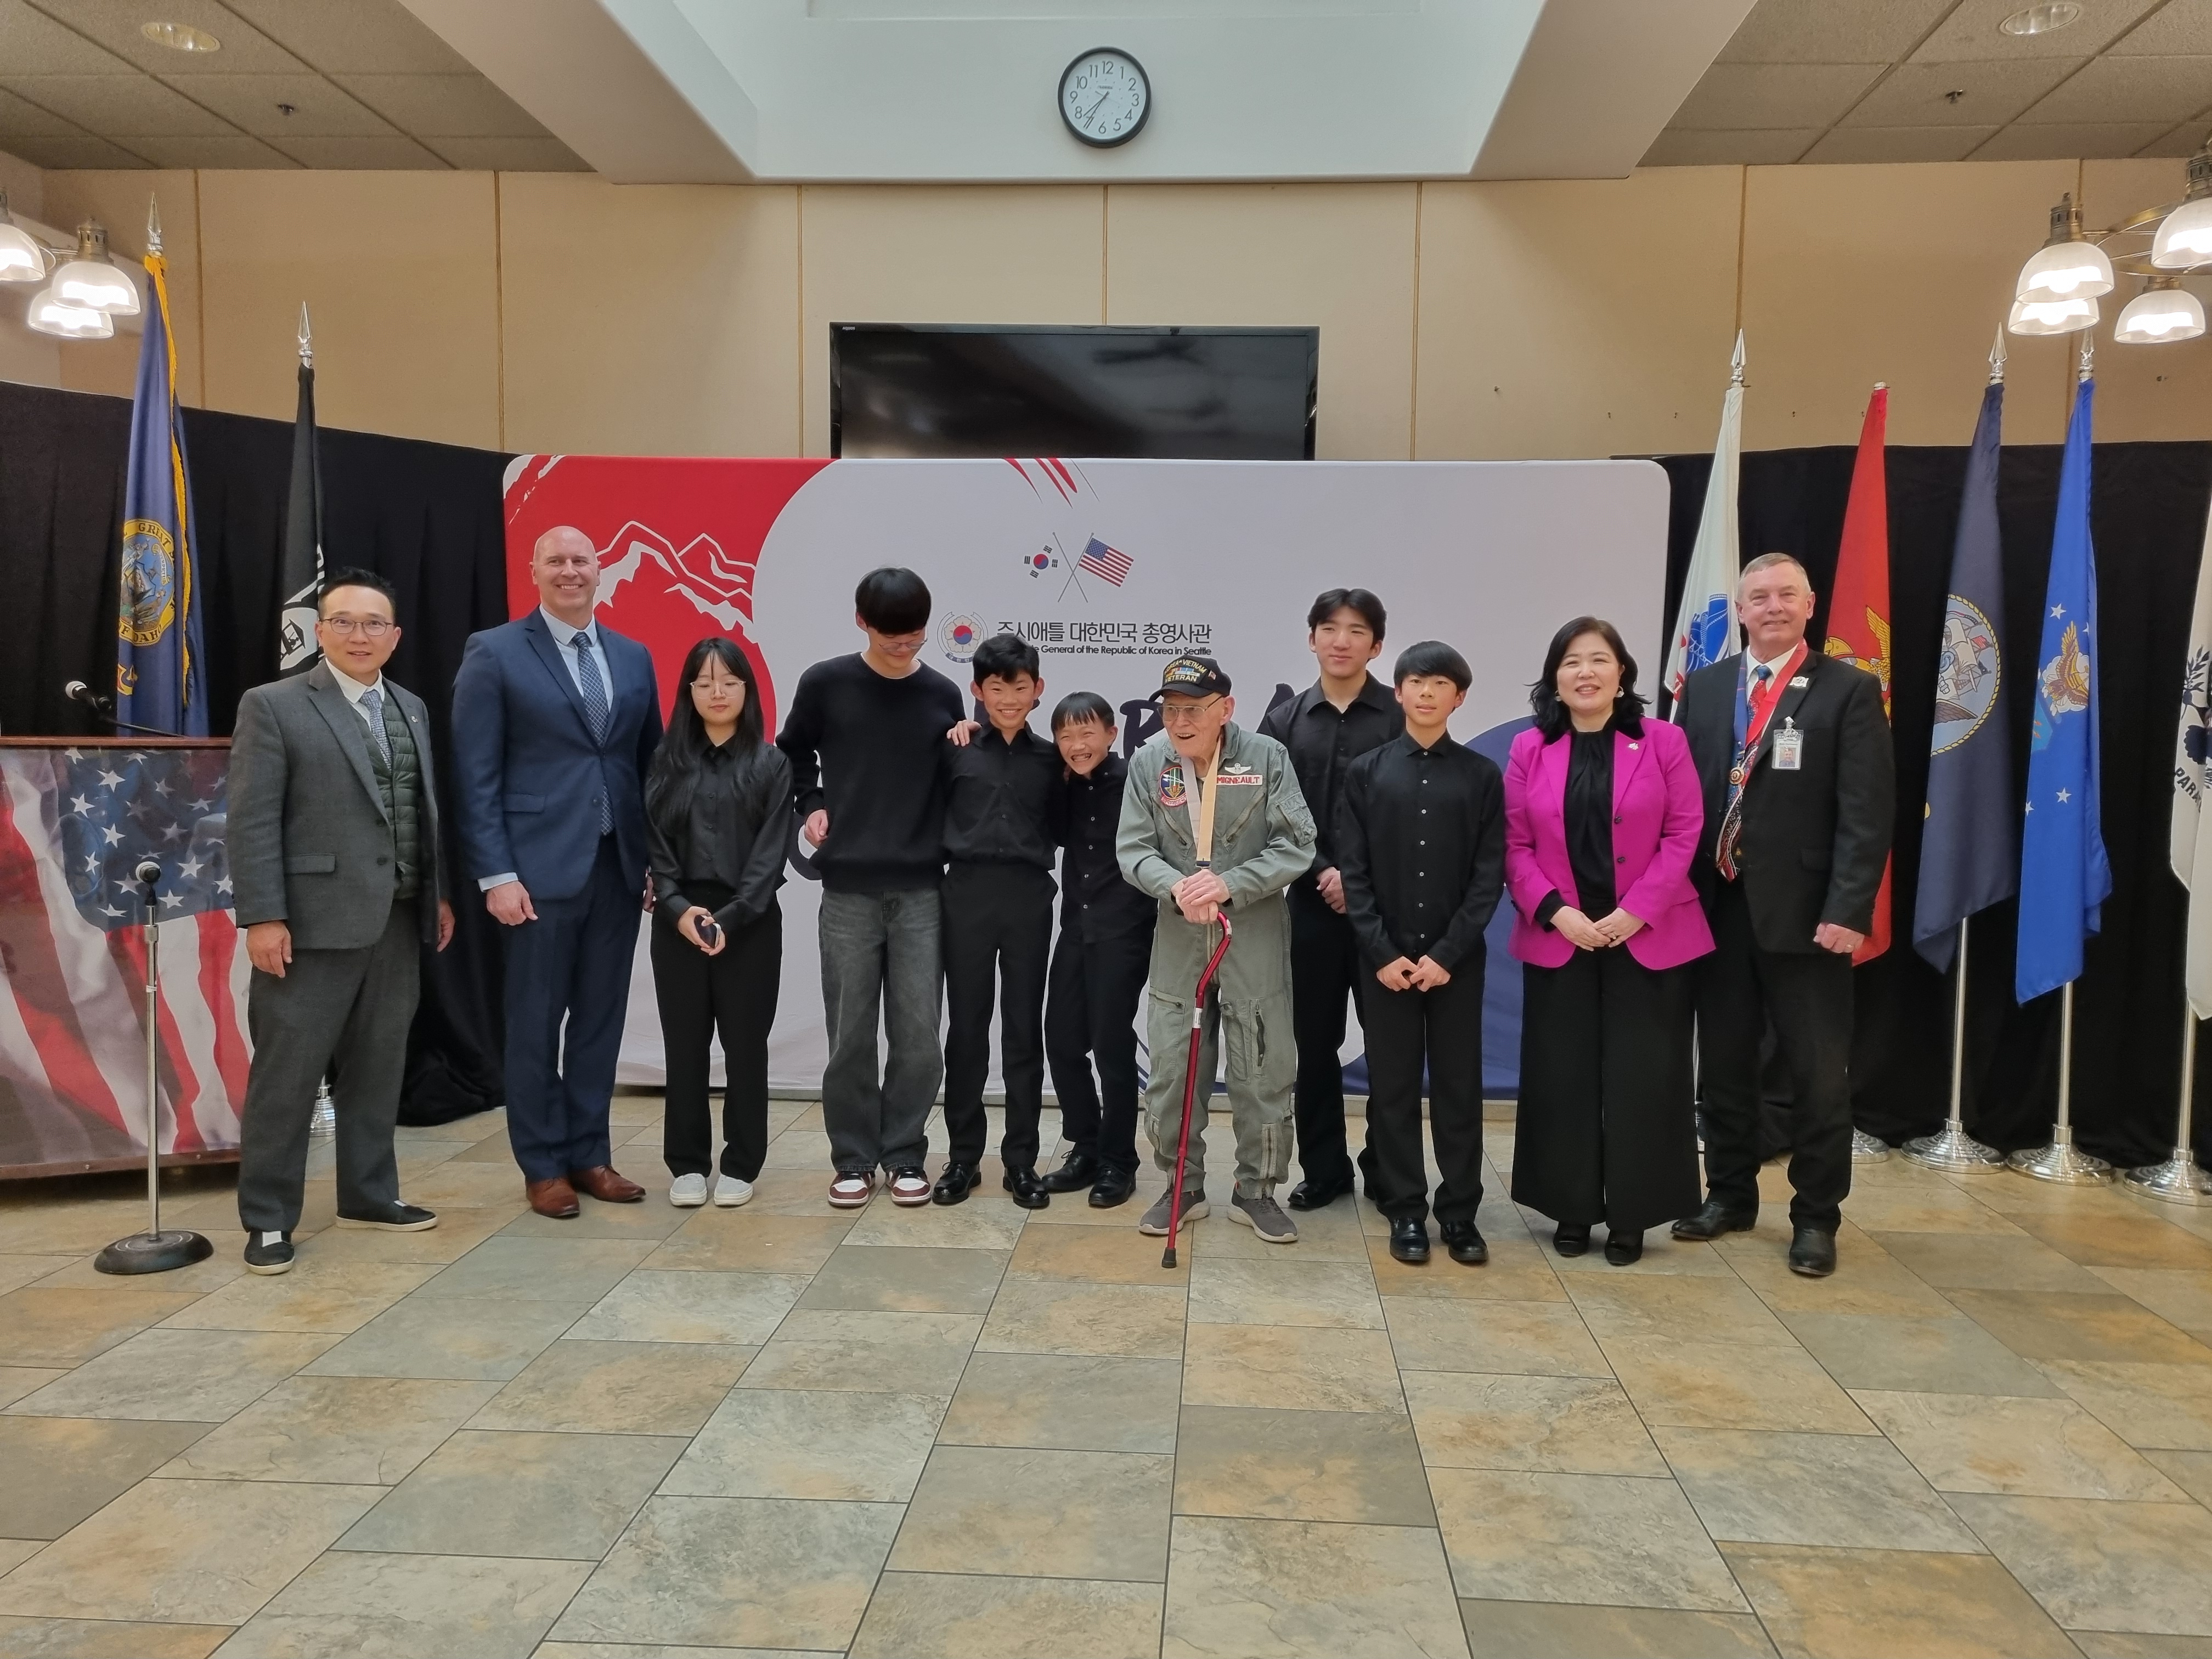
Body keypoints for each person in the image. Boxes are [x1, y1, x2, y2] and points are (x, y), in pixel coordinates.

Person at [229, 568, 455, 1273]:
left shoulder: (411, 707)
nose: (361, 635)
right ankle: (269, 1216)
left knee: (378, 1068)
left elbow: (418, 811)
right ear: (320, 631)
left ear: (395, 635)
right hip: (309, 925)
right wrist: (263, 916)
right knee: (288, 1076)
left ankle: (369, 1194)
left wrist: (437, 894)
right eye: (345, 622)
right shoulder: (274, 706)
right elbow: (252, 819)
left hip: (398, 919)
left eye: (374, 623)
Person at [1674, 553, 1893, 1278]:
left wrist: (1849, 908)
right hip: (1716, 908)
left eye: (1786, 595)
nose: (1772, 606)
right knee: (1724, 1066)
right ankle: (1730, 1195)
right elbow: (1683, 799)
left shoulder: (1849, 691)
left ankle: (1816, 1217)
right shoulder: (1704, 688)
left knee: (1818, 1075)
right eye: (1759, 596)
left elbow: (1868, 813)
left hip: (1809, 916)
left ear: (1810, 605)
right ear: (1739, 610)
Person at [452, 525, 664, 1220]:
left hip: (617, 868)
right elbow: (475, 774)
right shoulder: (495, 652)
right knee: (535, 1026)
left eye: (581, 560)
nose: (570, 571)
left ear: (600, 571)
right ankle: (542, 1165)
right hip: (535, 875)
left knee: (600, 1022)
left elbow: (651, 768)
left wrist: (657, 862)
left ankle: (590, 1155)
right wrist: (495, 875)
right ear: (535, 571)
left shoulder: (633, 656)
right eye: (556, 561)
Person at [1504, 619, 1711, 1267]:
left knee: (1644, 1078)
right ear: (1555, 678)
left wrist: (1636, 912)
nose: (1585, 672)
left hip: (1649, 935)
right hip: (1562, 934)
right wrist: (1556, 912)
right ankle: (1570, 1208)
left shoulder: (1664, 741)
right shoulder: (1530, 748)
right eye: (1571, 662)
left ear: (1622, 674)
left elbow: (1685, 831)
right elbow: (1514, 843)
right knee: (1561, 1076)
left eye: (1599, 660)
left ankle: (1632, 1214)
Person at [776, 567, 966, 1209]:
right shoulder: (825, 684)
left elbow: (956, 780)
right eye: (891, 637)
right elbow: (792, 753)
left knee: (919, 1036)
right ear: (862, 623)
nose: (904, 648)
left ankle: (906, 1153)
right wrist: (812, 805)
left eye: (915, 637)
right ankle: (853, 1159)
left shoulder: (942, 693)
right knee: (850, 1034)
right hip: (848, 889)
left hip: (921, 890)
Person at [1119, 654, 1315, 1244]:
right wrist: (1175, 886)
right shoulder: (1151, 763)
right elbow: (1133, 849)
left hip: (1251, 929)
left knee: (1262, 1063)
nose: (1180, 722)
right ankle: (1181, 1185)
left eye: (1193, 710)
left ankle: (1257, 1191)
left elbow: (1296, 845)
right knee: (1174, 1065)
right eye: (1170, 710)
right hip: (1181, 934)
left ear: (1225, 709)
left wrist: (1231, 883)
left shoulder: (1266, 758)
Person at [1336, 642, 1504, 1267]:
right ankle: (1405, 1208)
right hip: (1384, 963)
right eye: (1415, 682)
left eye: (1440, 684)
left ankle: (1459, 1212)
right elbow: (1353, 872)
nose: (1427, 692)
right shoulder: (1367, 772)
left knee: (1459, 1088)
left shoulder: (1481, 776)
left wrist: (1449, 954)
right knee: (1394, 1088)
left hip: (1456, 963)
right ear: (1399, 692)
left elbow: (1488, 877)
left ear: (1459, 697)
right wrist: (1380, 951)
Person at [1259, 589, 1401, 1212]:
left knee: (1391, 1046)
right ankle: (1325, 1169)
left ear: (1377, 644)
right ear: (1311, 638)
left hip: (1387, 911)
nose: (1342, 641)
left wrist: (1360, 879)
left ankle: (1388, 1168)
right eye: (1330, 628)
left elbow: (1416, 812)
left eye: (1357, 630)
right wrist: (1323, 871)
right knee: (1314, 1046)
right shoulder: (1284, 722)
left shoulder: (1402, 715)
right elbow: (1269, 812)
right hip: (1312, 906)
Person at [645, 637, 792, 1209]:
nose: (718, 692)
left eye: (729, 682)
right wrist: (678, 909)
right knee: (684, 1046)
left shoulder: (770, 763)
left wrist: (730, 918)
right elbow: (656, 846)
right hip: (679, 920)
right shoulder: (666, 761)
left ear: (747, 691)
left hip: (749, 922)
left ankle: (741, 1163)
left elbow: (770, 855)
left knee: (745, 1047)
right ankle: (686, 1164)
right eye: (705, 682)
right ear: (689, 692)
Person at [936, 634, 1061, 1207]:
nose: (1008, 699)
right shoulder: (955, 749)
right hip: (965, 893)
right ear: (978, 690)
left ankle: (1021, 1161)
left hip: (1028, 896)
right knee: (966, 1028)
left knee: (1022, 1029)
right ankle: (963, 1158)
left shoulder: (1053, 759)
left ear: (1038, 690)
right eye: (996, 688)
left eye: (1019, 687)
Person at [1040, 692, 1156, 1208]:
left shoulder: (1138, 780)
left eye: (1087, 733)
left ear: (1111, 734)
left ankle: (1118, 1162)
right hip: (1075, 928)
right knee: (1063, 1042)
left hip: (1124, 931)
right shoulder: (1062, 783)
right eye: (1066, 735)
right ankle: (1085, 1148)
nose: (1077, 744)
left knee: (1111, 1046)